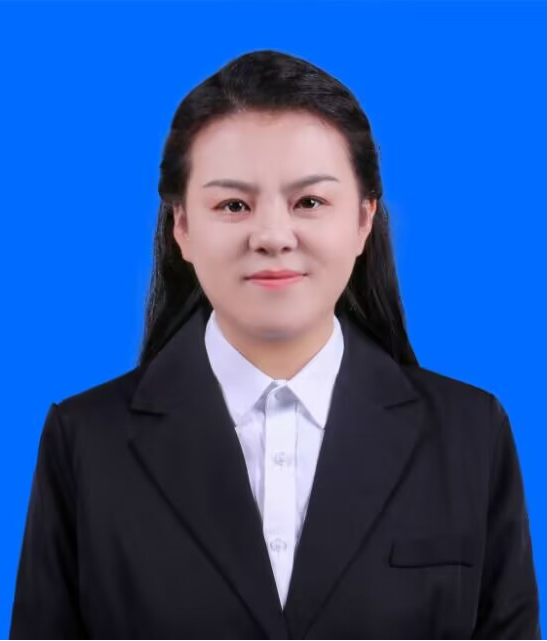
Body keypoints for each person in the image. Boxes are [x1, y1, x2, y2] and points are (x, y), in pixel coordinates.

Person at [9, 49, 540, 640]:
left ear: (364, 219)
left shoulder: (470, 432)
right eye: (233, 205)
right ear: (182, 225)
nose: (271, 236)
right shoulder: (84, 440)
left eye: (309, 202)